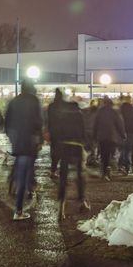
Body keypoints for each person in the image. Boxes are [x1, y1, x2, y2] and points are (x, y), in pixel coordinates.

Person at [47, 89, 88, 217]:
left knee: (63, 176)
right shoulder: (79, 114)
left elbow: (55, 130)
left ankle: (61, 204)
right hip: (76, 146)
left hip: (63, 146)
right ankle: (81, 201)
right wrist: (86, 145)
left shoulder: (62, 115)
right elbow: (83, 132)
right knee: (79, 174)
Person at [5, 81, 43, 220]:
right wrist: (39, 140)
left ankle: (24, 195)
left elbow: (7, 122)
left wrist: (13, 138)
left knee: (22, 171)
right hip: (30, 143)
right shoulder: (34, 101)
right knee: (25, 174)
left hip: (18, 143)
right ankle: (19, 210)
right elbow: (39, 122)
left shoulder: (14, 101)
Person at [94, 96, 125, 180]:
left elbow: (95, 124)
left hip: (102, 137)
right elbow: (119, 124)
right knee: (110, 154)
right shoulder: (114, 112)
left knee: (103, 154)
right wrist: (123, 135)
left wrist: (94, 135)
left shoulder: (99, 111)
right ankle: (107, 171)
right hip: (111, 137)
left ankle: (104, 171)